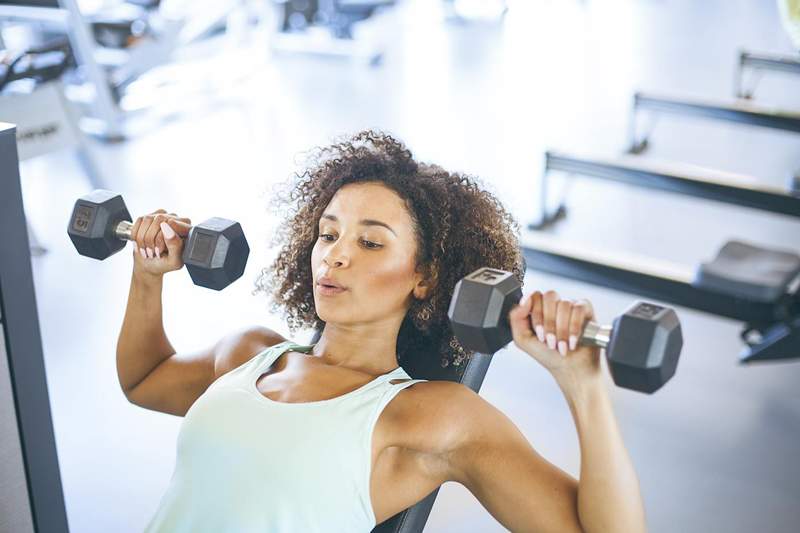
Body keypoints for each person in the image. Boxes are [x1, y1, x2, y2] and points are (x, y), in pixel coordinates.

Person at [118, 130, 646, 532]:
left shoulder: (430, 416)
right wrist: (147, 276)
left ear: (425, 277)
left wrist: (584, 385)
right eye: (328, 234)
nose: (336, 255)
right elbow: (144, 380)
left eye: (371, 243)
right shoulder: (249, 354)